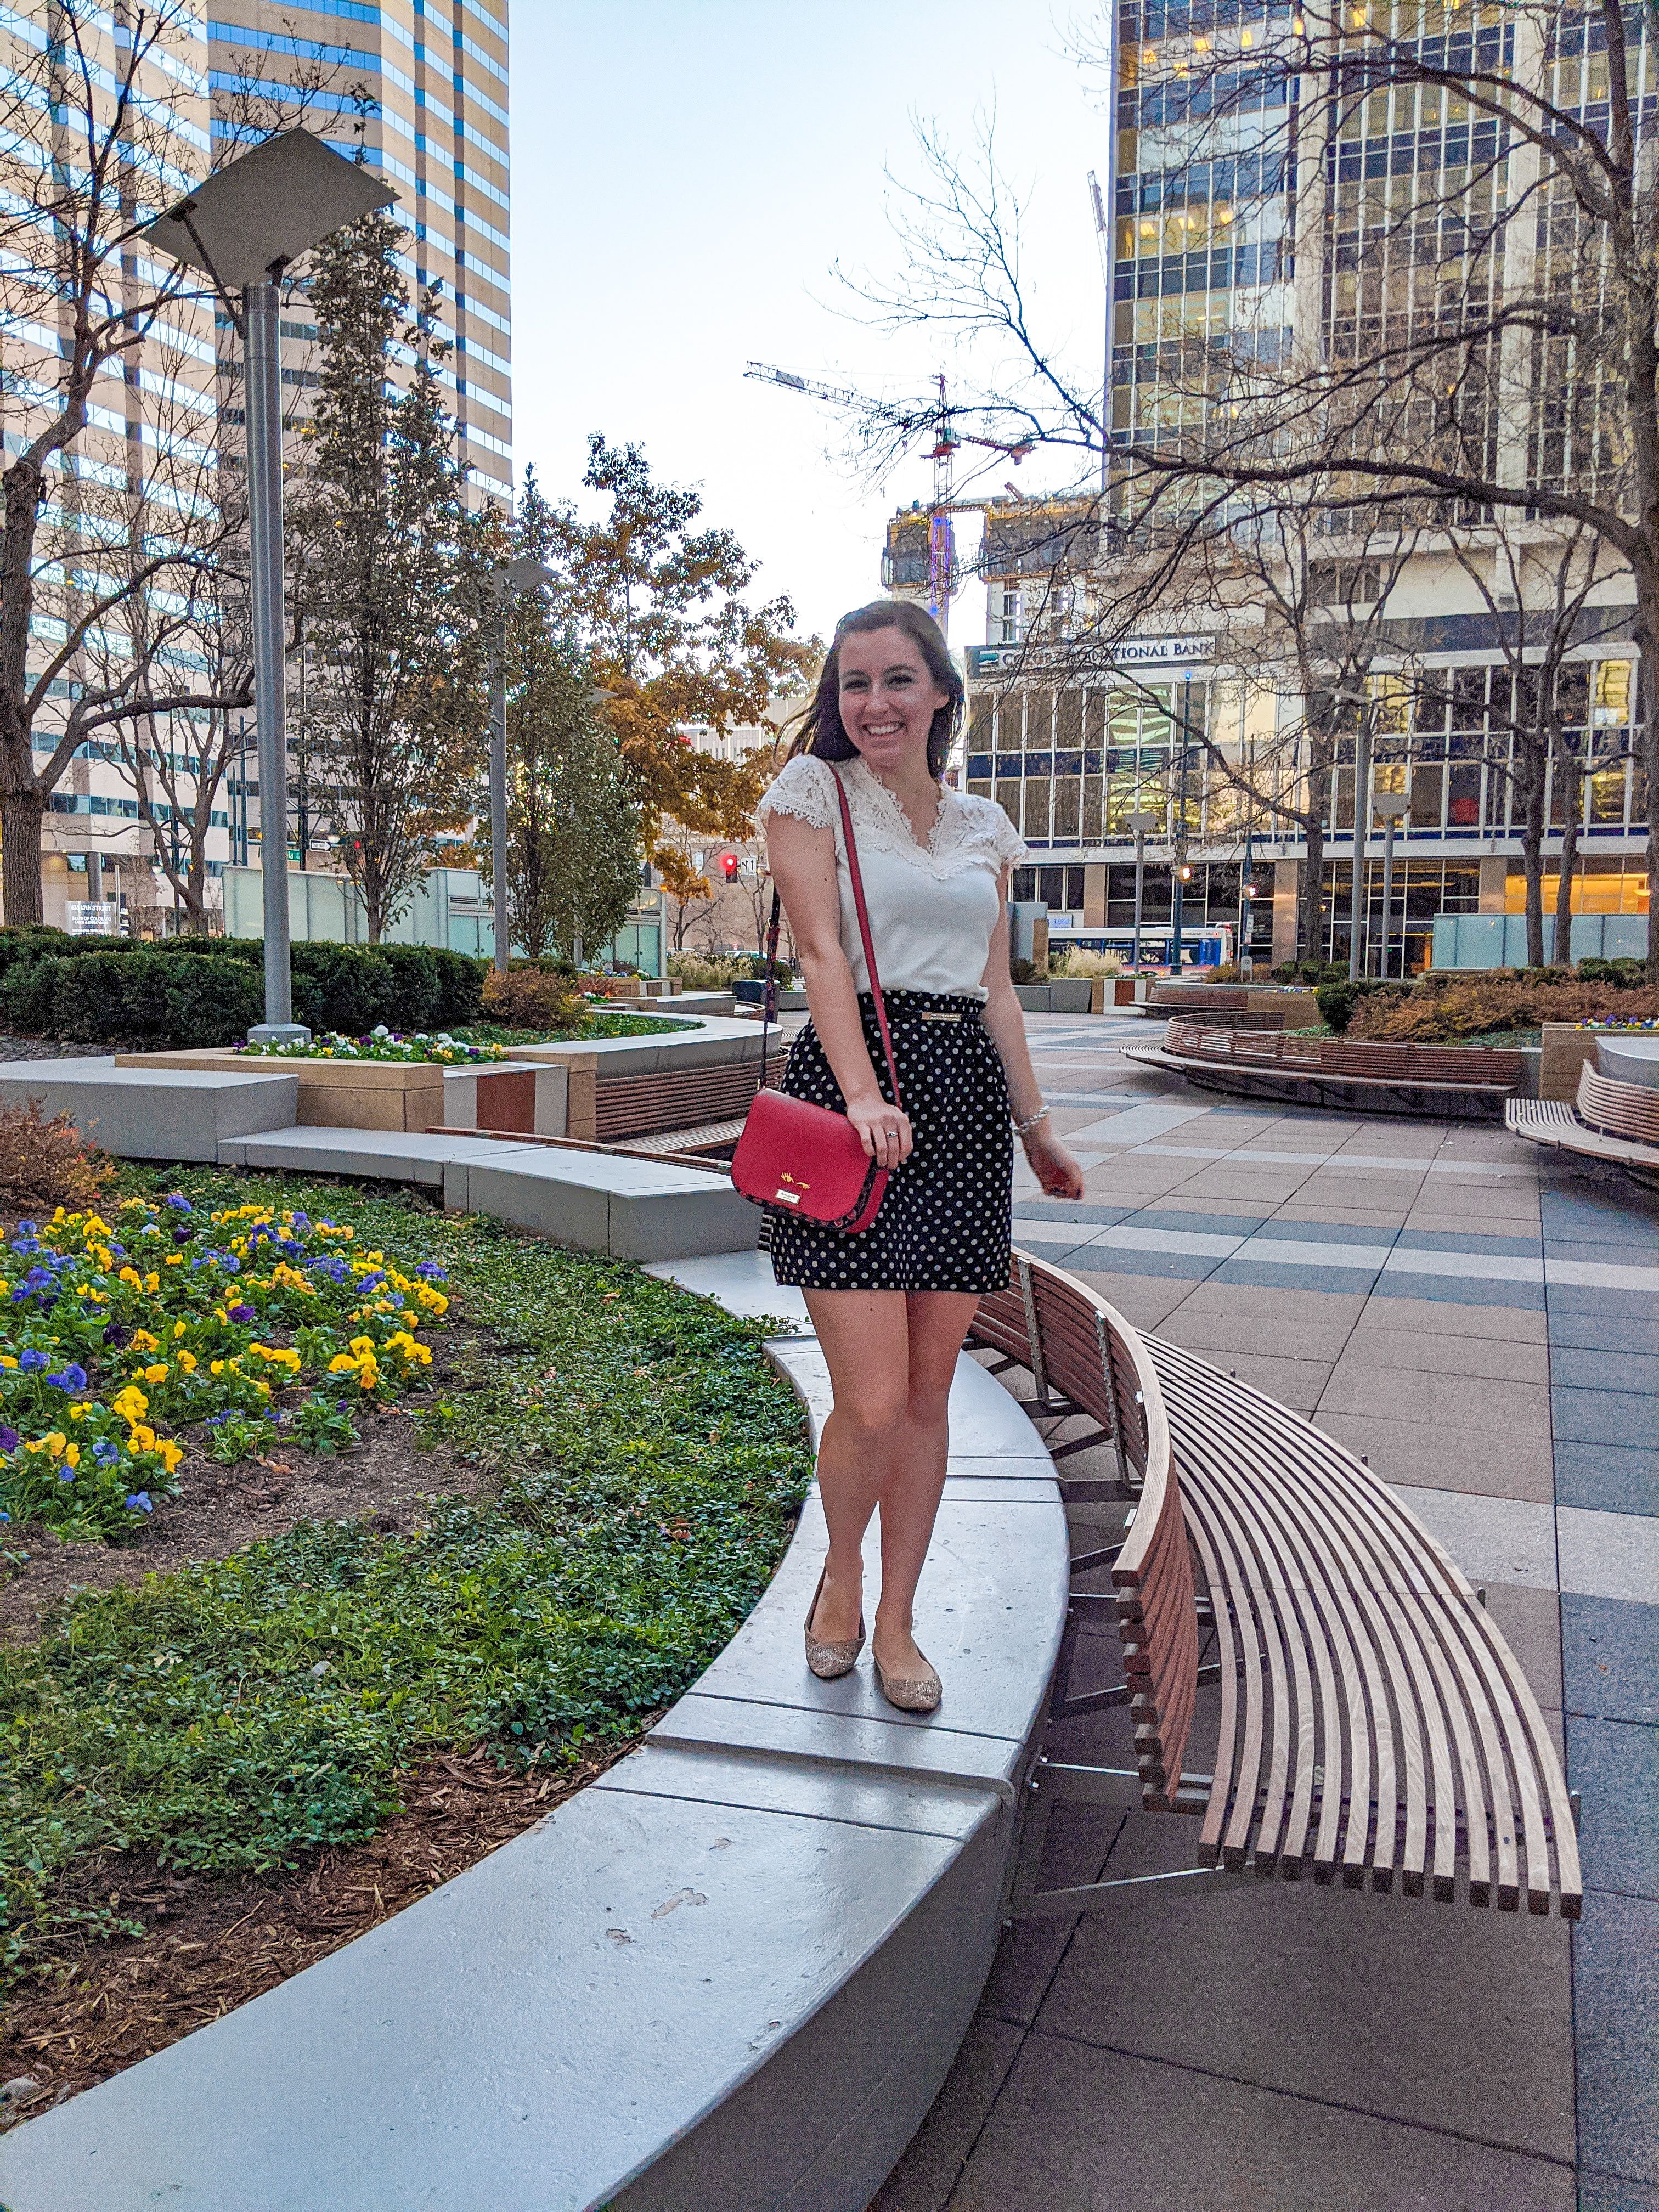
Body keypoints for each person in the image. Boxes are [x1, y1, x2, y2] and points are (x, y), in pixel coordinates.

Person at [757, 600, 1084, 1714]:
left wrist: (1038, 1128)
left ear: (941, 691)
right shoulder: (812, 795)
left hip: (962, 1107)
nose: (874, 703)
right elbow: (819, 951)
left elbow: (996, 988)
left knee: (933, 1392)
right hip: (856, 1098)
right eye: (855, 682)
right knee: (874, 1401)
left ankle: (899, 1617)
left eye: (897, 680)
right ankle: (838, 1581)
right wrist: (858, 1094)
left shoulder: (985, 825)